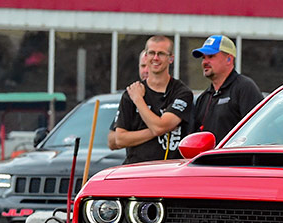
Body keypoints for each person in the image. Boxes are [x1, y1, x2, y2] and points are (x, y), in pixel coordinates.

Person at [110, 35, 193, 164]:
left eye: (161, 54)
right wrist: (155, 130)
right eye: (151, 53)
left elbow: (160, 127)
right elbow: (119, 139)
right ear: (146, 56)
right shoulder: (131, 92)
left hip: (169, 171)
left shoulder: (182, 93)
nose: (155, 58)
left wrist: (138, 100)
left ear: (171, 58)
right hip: (136, 170)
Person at [190, 35, 264, 143]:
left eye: (210, 56)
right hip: (208, 159)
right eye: (203, 58)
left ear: (229, 59)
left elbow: (257, 131)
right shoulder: (204, 98)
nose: (205, 62)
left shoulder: (244, 88)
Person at [107, 50, 151, 150]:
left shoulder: (175, 94)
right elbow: (113, 140)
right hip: (134, 163)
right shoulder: (131, 94)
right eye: (143, 66)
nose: (146, 70)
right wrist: (158, 131)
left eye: (149, 65)